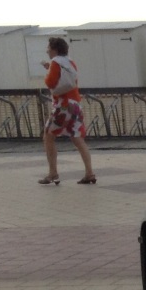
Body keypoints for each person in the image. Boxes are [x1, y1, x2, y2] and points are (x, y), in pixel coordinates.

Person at [39, 37, 96, 185]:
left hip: (62, 105)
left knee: (48, 136)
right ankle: (89, 173)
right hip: (75, 103)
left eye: (49, 48)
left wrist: (49, 71)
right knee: (77, 137)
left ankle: (53, 173)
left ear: (55, 49)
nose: (47, 50)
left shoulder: (55, 62)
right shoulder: (70, 62)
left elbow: (50, 82)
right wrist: (50, 69)